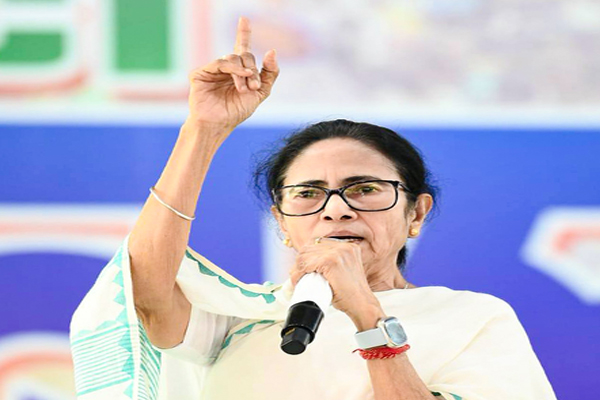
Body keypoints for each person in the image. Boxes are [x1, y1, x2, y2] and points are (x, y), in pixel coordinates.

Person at [70, 17, 556, 400]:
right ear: (281, 222)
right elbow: (144, 291)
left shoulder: (472, 319)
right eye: (307, 194)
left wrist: (367, 316)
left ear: (416, 213)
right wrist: (204, 129)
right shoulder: (244, 318)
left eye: (364, 189)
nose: (336, 210)